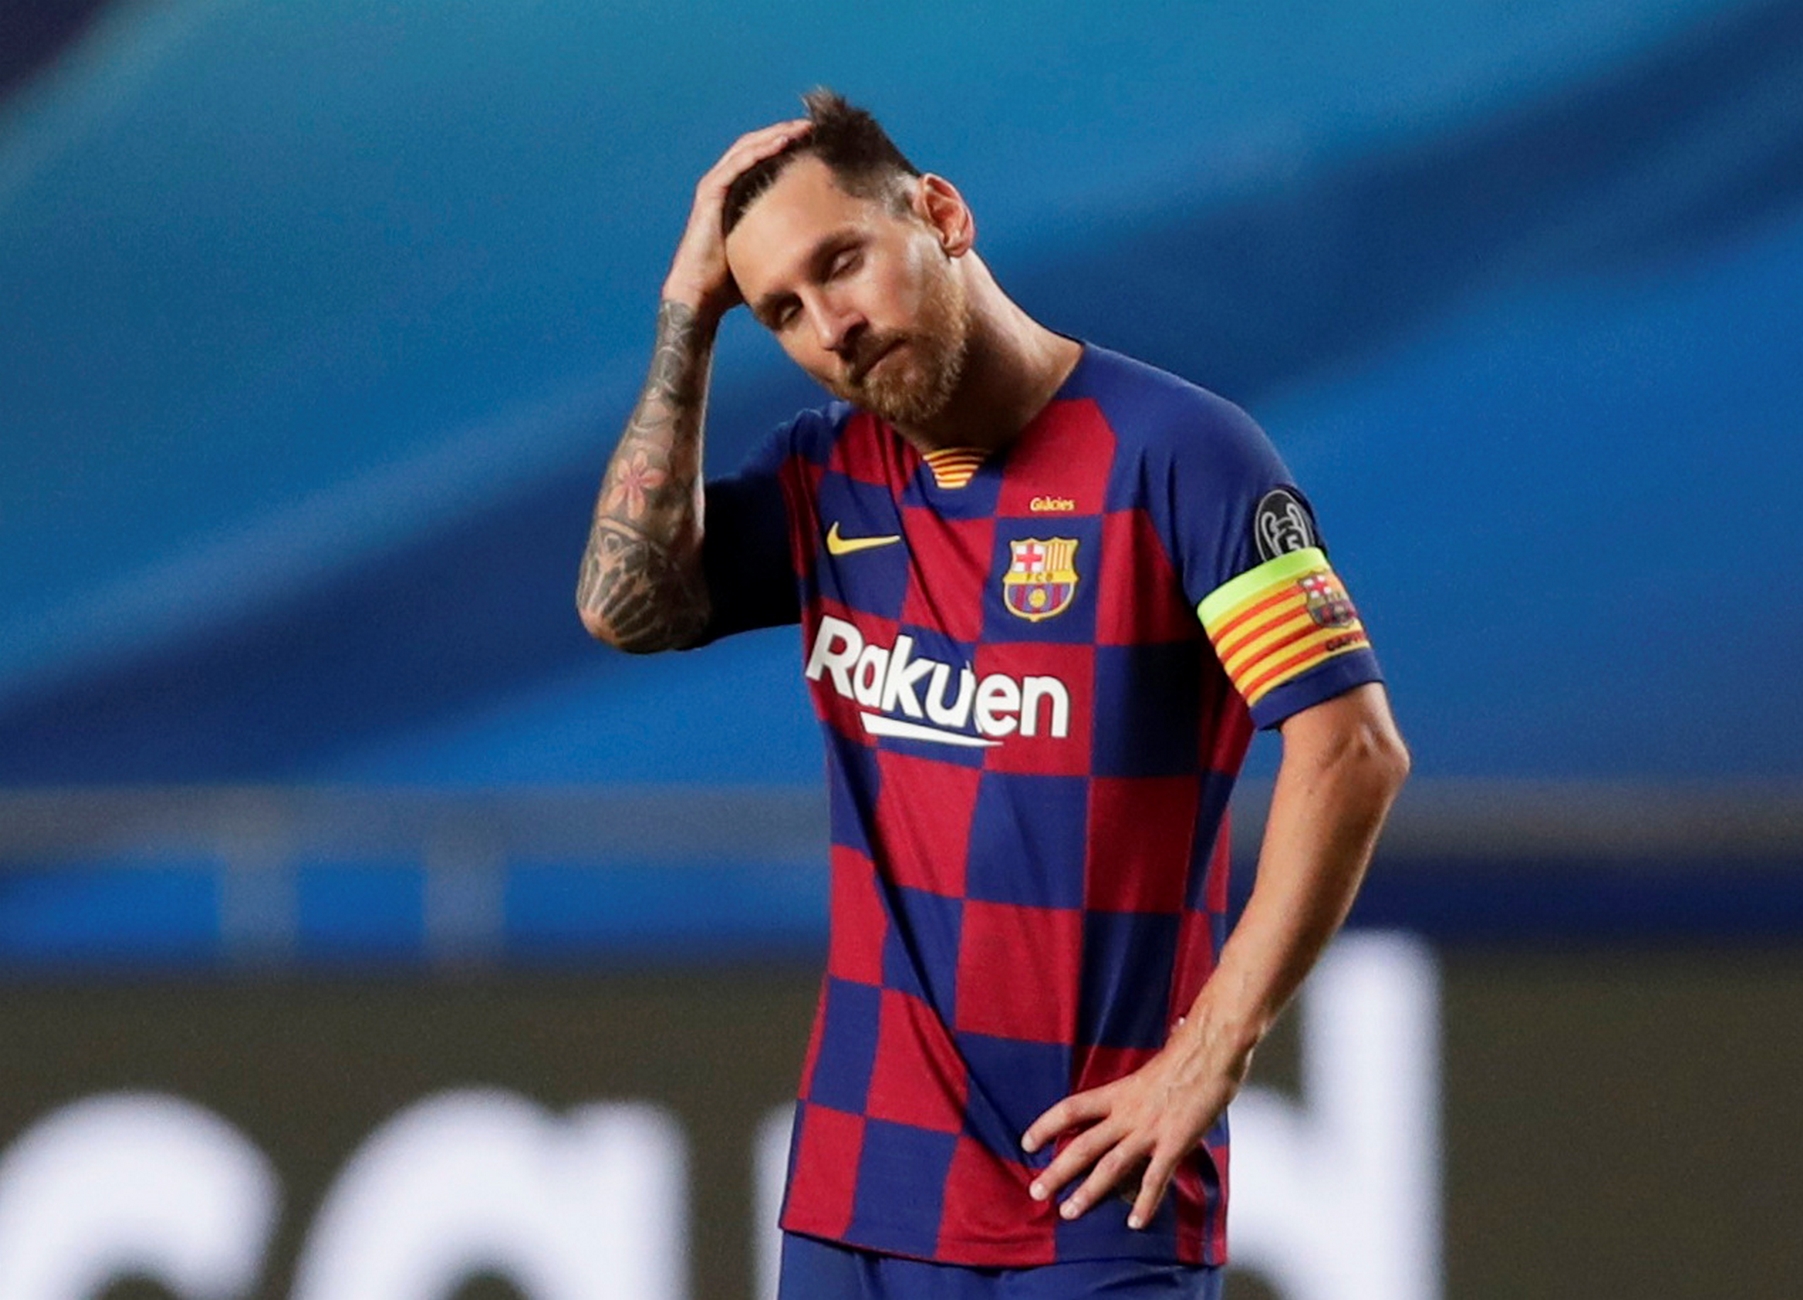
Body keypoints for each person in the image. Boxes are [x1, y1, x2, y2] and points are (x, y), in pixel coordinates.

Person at [576, 90, 1409, 1300]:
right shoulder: (824, 480)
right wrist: (682, 319)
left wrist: (1212, 1048)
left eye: (842, 262)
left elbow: (1350, 750)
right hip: (856, 1200)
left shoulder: (1178, 453)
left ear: (941, 213)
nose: (831, 328)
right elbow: (622, 604)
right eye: (782, 313)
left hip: (1093, 1200)